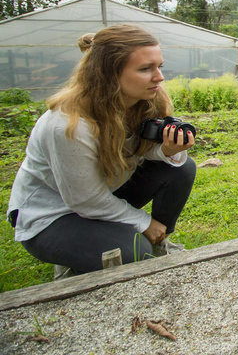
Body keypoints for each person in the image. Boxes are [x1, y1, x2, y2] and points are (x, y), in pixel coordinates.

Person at [6, 25, 196, 275]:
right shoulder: (68, 124)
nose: (159, 77)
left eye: (159, 66)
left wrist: (167, 150)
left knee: (181, 167)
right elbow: (85, 201)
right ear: (108, 73)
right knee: (132, 251)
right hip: (53, 215)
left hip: (101, 192)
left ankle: (160, 242)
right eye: (145, 69)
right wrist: (143, 222)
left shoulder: (141, 102)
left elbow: (137, 151)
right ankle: (73, 266)